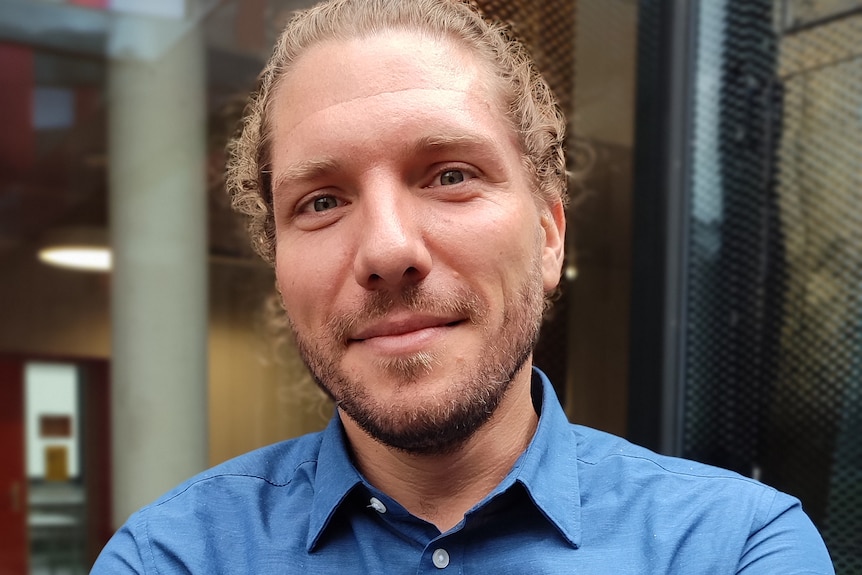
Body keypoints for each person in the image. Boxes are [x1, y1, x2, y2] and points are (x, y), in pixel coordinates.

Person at [92, 0, 835, 572]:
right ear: (279, 265)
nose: (386, 248)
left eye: (451, 175)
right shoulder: (171, 556)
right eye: (321, 201)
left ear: (549, 235)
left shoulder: (731, 548)